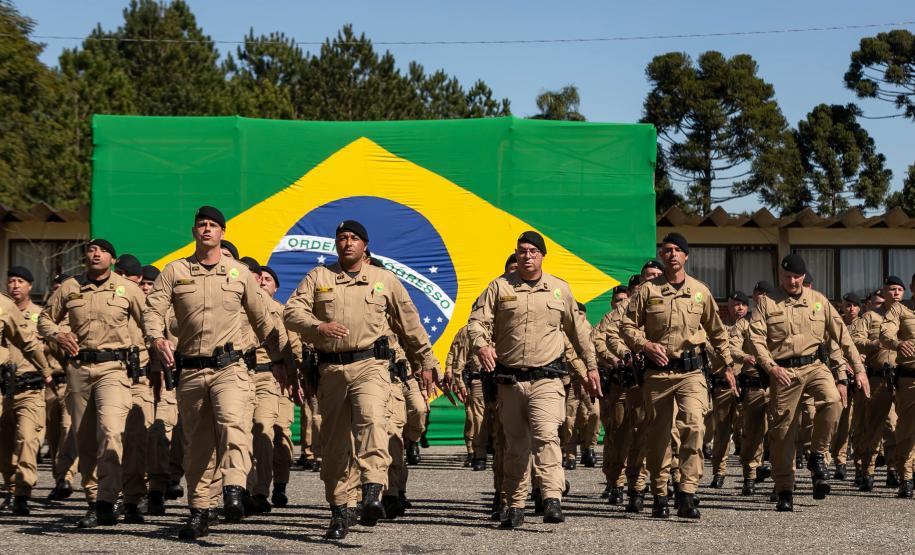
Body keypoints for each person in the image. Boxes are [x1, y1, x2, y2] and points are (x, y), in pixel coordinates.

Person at [284, 219, 440, 540]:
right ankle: (341, 509)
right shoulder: (319, 277)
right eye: (342, 237)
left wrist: (426, 361)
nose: (348, 242)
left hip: (371, 365)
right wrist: (317, 327)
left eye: (354, 238)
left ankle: (372, 488)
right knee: (335, 445)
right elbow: (291, 312)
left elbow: (410, 323)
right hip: (331, 371)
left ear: (365, 245)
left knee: (372, 420)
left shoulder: (384, 279)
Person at [144, 206, 283, 539]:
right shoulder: (175, 271)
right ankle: (200, 510)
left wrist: (282, 360)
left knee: (233, 424)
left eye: (213, 225)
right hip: (191, 371)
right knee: (198, 446)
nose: (207, 229)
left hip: (230, 368)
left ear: (222, 233)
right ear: (194, 232)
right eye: (202, 225)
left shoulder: (239, 274)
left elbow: (263, 319)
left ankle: (234, 488)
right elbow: (153, 308)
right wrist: (156, 337)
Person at [468, 230, 599, 529]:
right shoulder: (499, 287)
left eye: (532, 251)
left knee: (546, 436)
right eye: (522, 251)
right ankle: (515, 504)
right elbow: (476, 322)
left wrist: (591, 367)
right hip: (511, 382)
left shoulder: (559, 289)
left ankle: (552, 497)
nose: (527, 256)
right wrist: (482, 345)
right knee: (515, 446)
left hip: (547, 379)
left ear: (542, 256)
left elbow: (579, 333)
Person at [621, 233, 735, 520]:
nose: (671, 254)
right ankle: (660, 493)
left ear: (686, 256)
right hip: (657, 374)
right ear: (661, 255)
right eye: (666, 250)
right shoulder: (648, 291)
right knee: (658, 436)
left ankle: (686, 492)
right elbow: (627, 326)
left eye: (677, 250)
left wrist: (727, 365)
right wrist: (645, 344)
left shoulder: (700, 291)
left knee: (694, 425)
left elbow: (717, 332)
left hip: (691, 373)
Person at [38, 239, 147, 527]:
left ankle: (108, 499)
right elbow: (45, 320)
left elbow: (150, 321)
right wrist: (58, 335)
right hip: (78, 369)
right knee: (84, 438)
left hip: (114, 368)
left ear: (113, 259)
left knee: (111, 430)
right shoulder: (69, 288)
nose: (96, 254)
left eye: (103, 251)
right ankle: (94, 501)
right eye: (91, 250)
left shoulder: (128, 289)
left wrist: (160, 348)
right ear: (85, 257)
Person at [748, 253, 869, 511]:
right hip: (783, 371)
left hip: (814, 366)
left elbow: (843, 336)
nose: (791, 281)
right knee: (783, 432)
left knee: (834, 400)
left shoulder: (818, 301)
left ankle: (817, 455)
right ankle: (784, 489)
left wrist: (859, 370)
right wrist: (771, 367)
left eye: (796, 277)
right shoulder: (767, 303)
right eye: (787, 276)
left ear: (803, 276)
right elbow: (756, 339)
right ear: (780, 276)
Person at [1, 266, 53, 515]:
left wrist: (48, 371)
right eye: (11, 281)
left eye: (20, 281)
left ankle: (22, 493)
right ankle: (12, 487)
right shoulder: (5, 306)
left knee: (26, 440)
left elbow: (33, 344)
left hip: (29, 387)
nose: (15, 285)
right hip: (3, 388)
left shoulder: (34, 314)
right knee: (3, 447)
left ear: (30, 286)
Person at [854, 279, 902, 491]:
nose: (896, 293)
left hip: (900, 378)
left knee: (894, 426)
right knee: (872, 426)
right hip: (878, 378)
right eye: (892, 289)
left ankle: (893, 469)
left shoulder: (906, 315)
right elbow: (855, 340)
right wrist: (872, 343)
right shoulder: (870, 316)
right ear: (884, 291)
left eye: (900, 290)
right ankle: (868, 471)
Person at [880, 273, 915, 498]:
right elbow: (885, 334)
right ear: (912, 287)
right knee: (907, 431)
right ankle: (907, 477)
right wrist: (897, 343)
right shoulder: (900, 310)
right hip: (910, 380)